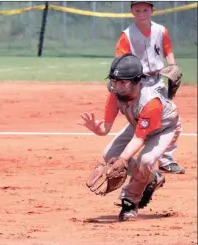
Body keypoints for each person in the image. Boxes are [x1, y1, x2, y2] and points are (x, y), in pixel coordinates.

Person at [78, 54, 181, 221]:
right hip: (138, 123)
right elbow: (105, 128)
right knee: (109, 154)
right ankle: (151, 178)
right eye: (114, 81)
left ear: (137, 81)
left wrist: (123, 160)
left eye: (123, 82)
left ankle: (130, 202)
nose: (117, 86)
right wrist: (96, 128)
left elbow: (140, 139)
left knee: (146, 160)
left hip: (165, 128)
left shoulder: (150, 101)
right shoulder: (115, 94)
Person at [114, 1, 185, 174]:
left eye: (145, 9)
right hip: (138, 82)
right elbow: (121, 59)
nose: (141, 13)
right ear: (131, 11)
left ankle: (165, 159)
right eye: (137, 10)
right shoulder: (127, 35)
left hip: (158, 80)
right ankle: (136, 154)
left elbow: (168, 51)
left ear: (152, 10)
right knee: (142, 119)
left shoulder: (161, 30)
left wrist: (172, 66)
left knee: (170, 118)